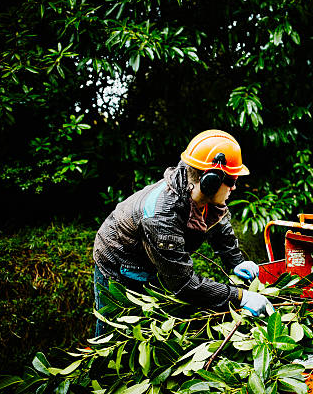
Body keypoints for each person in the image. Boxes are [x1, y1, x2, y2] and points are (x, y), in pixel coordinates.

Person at [93, 129, 272, 336]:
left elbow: (219, 224)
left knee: (154, 324)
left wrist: (236, 261)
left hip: (154, 255)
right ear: (210, 181)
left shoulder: (204, 196)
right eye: (231, 180)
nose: (234, 188)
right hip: (118, 261)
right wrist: (241, 297)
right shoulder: (161, 216)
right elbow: (185, 284)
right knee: (116, 332)